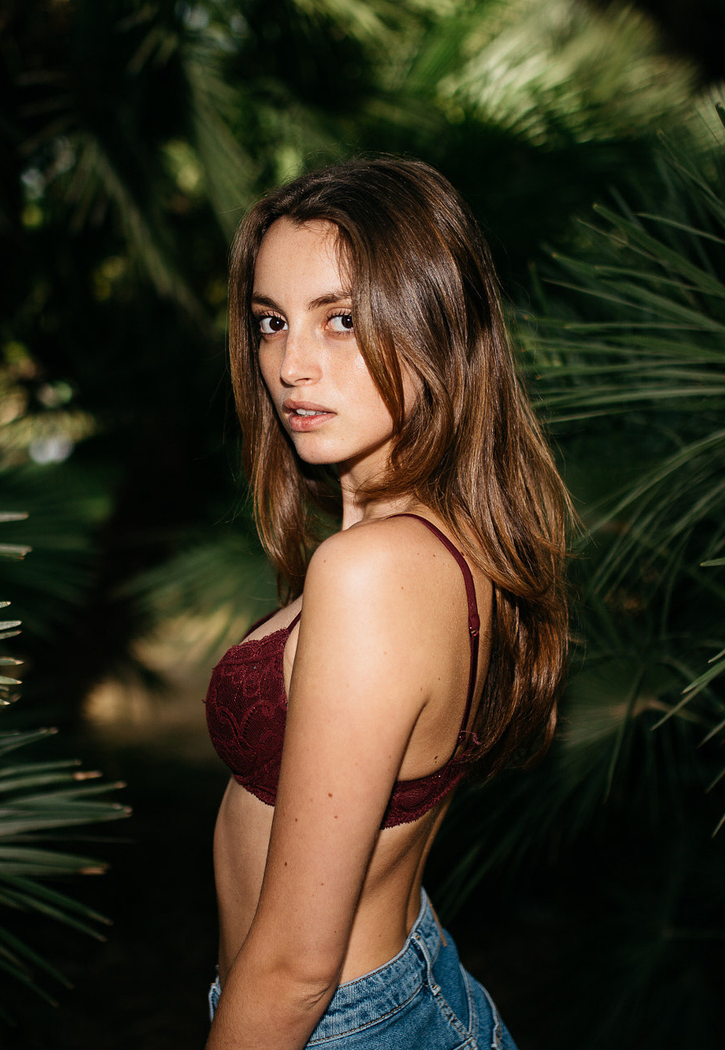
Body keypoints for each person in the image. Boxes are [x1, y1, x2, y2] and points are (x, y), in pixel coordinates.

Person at [202, 156, 572, 1050]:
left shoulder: (373, 572)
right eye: (271, 321)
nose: (291, 364)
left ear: (435, 322)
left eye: (343, 320)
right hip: (389, 989)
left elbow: (295, 968)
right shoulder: (447, 540)